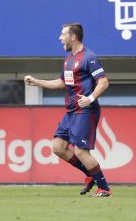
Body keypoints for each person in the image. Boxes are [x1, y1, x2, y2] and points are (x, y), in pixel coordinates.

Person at [24, 23, 112, 197]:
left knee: (80, 150)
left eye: (63, 34)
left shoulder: (89, 57)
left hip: (86, 110)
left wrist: (90, 98)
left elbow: (104, 82)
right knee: (58, 147)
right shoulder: (68, 60)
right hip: (71, 111)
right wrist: (37, 82)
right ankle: (90, 174)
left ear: (73, 37)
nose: (59, 38)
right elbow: (62, 83)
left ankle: (104, 188)